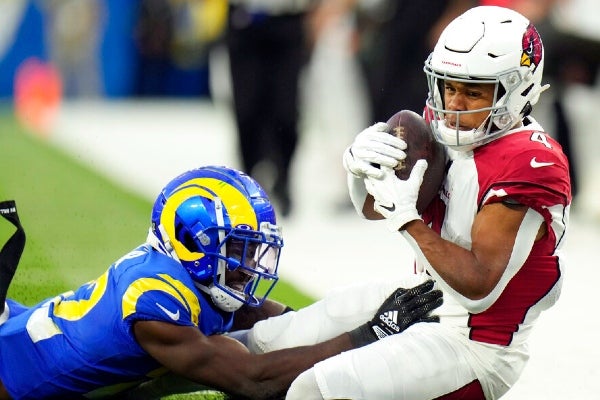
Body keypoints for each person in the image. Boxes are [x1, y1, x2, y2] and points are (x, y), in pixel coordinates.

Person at [238, 5, 571, 399]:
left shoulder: (530, 162)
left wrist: (409, 222)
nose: (455, 104)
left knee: (314, 389)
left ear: (517, 89)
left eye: (473, 91)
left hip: (477, 345)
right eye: (449, 86)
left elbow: (479, 288)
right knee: (266, 341)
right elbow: (371, 208)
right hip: (423, 296)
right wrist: (359, 168)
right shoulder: (445, 123)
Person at [0, 165, 442, 399]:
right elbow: (255, 382)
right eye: (238, 251)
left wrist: (370, 323)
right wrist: (368, 334)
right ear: (192, 241)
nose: (248, 266)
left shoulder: (183, 273)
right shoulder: (155, 304)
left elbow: (289, 321)